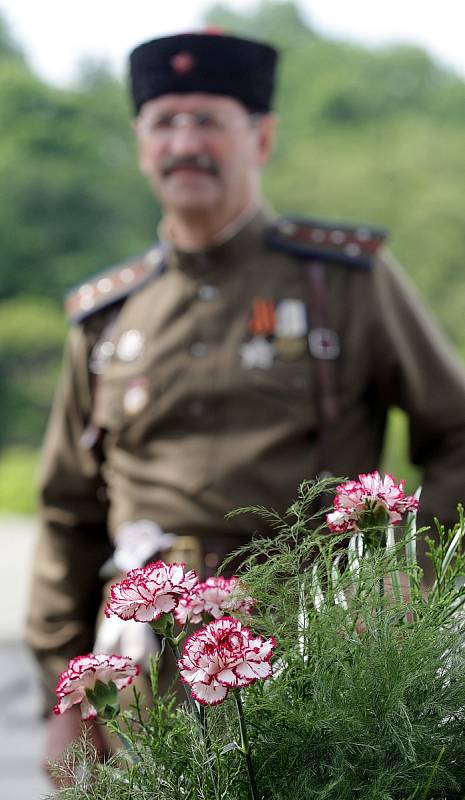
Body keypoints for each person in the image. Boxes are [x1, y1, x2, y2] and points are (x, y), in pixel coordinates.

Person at [25, 30, 465, 775]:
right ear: (139, 142)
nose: (184, 142)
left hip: (315, 648)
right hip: (142, 673)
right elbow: (68, 512)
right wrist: (60, 698)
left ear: (260, 136)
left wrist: (403, 574)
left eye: (207, 120)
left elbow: (456, 434)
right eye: (164, 121)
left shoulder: (344, 281)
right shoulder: (108, 316)